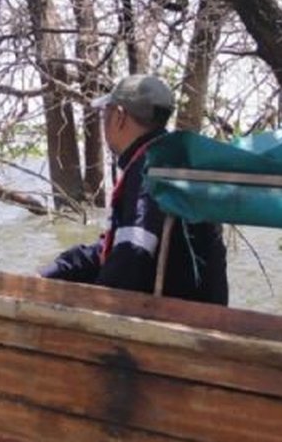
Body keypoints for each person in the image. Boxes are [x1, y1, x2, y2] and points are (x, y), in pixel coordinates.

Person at [40, 74, 228, 305]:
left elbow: (132, 253)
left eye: (105, 113)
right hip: (203, 311)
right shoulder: (174, 159)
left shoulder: (148, 169)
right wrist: (62, 268)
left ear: (119, 116)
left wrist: (94, 308)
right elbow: (117, 245)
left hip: (175, 320)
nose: (103, 122)